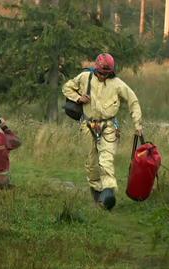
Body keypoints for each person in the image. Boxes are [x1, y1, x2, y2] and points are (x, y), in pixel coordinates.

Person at [62, 53, 142, 211]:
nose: (103, 77)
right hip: (87, 124)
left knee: (106, 161)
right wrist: (78, 98)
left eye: (107, 74)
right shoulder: (85, 77)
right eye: (100, 73)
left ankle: (109, 195)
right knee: (91, 163)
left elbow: (133, 101)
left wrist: (138, 124)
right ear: (96, 70)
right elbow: (66, 87)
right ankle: (97, 194)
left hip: (109, 126)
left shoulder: (117, 84)